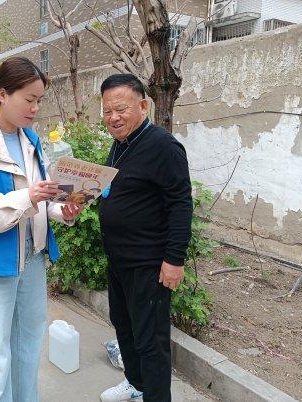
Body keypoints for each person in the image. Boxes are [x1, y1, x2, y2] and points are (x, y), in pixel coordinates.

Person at [0, 57, 81, 402]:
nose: (35, 108)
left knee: (28, 345)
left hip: (31, 260)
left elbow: (41, 200)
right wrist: (29, 197)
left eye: (39, 100)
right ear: (3, 94)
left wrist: (62, 210)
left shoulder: (31, 141)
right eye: (29, 99)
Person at [98, 74, 193, 402]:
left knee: (151, 340)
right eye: (107, 111)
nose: (113, 117)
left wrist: (174, 260)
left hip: (148, 263)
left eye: (121, 109)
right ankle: (136, 384)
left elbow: (181, 204)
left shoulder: (163, 146)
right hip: (119, 260)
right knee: (124, 325)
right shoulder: (121, 144)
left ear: (143, 106)